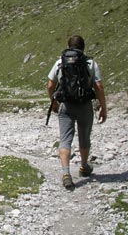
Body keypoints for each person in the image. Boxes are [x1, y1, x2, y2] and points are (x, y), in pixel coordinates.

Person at [47, 35, 107, 189]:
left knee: (65, 139)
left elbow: (49, 85)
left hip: (66, 105)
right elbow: (98, 87)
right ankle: (84, 166)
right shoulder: (90, 63)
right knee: (84, 136)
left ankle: (66, 173)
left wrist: (53, 102)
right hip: (85, 105)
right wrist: (103, 108)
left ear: (68, 46)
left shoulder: (60, 62)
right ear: (83, 47)